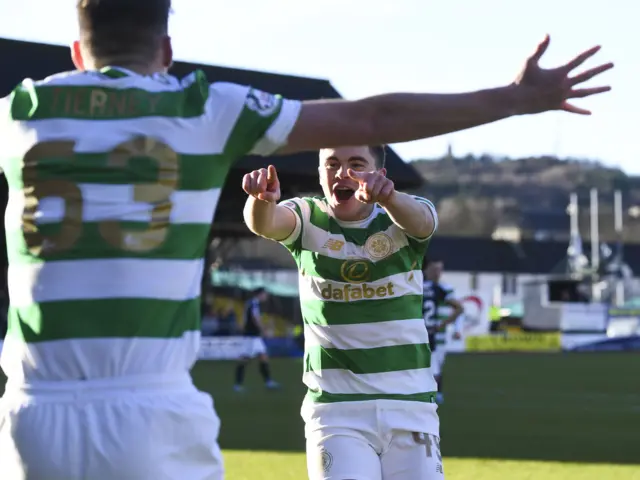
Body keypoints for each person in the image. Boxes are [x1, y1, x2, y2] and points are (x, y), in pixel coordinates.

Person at [0, 0, 612, 476]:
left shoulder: (17, 112)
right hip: (153, 410)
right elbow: (374, 118)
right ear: (166, 49)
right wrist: (514, 99)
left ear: (77, 52)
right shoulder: (202, 108)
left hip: (33, 414)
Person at [243, 145, 446, 479]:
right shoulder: (307, 217)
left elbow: (424, 222)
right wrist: (262, 200)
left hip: (410, 404)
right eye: (332, 164)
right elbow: (266, 224)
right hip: (337, 410)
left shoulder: (402, 214)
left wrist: (390, 198)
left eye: (356, 164)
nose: (342, 172)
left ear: (379, 174)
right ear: (321, 174)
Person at [422, 259, 464, 405]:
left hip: (437, 333)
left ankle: (437, 393)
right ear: (427, 269)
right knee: (431, 366)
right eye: (435, 269)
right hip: (427, 332)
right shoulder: (434, 288)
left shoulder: (444, 288)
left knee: (436, 365)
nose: (437, 273)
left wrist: (447, 326)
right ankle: (431, 393)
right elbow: (459, 309)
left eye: (440, 269)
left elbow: (458, 310)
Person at [234, 288, 280, 391]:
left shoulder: (251, 303)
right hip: (251, 336)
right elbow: (255, 318)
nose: (266, 296)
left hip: (254, 336)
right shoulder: (253, 304)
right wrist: (263, 330)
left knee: (263, 356)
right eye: (265, 294)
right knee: (244, 359)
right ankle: (238, 384)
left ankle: (268, 382)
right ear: (260, 294)